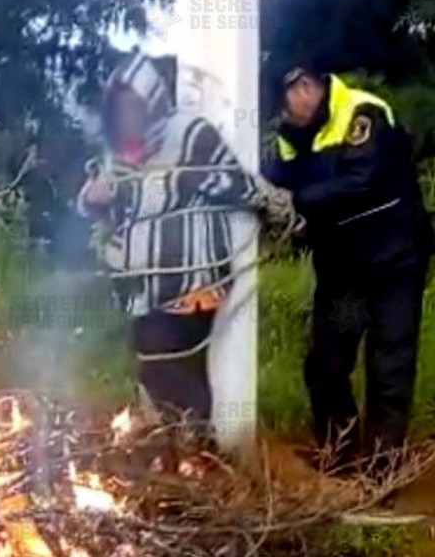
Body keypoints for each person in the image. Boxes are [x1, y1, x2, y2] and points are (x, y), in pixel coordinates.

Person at [77, 49, 293, 441]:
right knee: (154, 365)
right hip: (143, 288)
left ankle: (197, 453)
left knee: (169, 364)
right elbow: (97, 202)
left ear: (153, 104)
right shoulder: (117, 153)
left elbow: (237, 184)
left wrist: (284, 212)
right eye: (119, 109)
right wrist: (93, 198)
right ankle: (181, 454)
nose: (128, 117)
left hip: (195, 281)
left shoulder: (191, 136)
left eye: (135, 107)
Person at [262, 66, 434, 472]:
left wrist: (297, 201)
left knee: (388, 365)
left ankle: (381, 470)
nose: (300, 96)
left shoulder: (362, 113)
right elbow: (272, 179)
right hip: (346, 272)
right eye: (290, 90)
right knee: (328, 362)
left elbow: (362, 180)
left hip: (394, 263)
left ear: (320, 84)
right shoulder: (291, 139)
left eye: (306, 85)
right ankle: (337, 456)